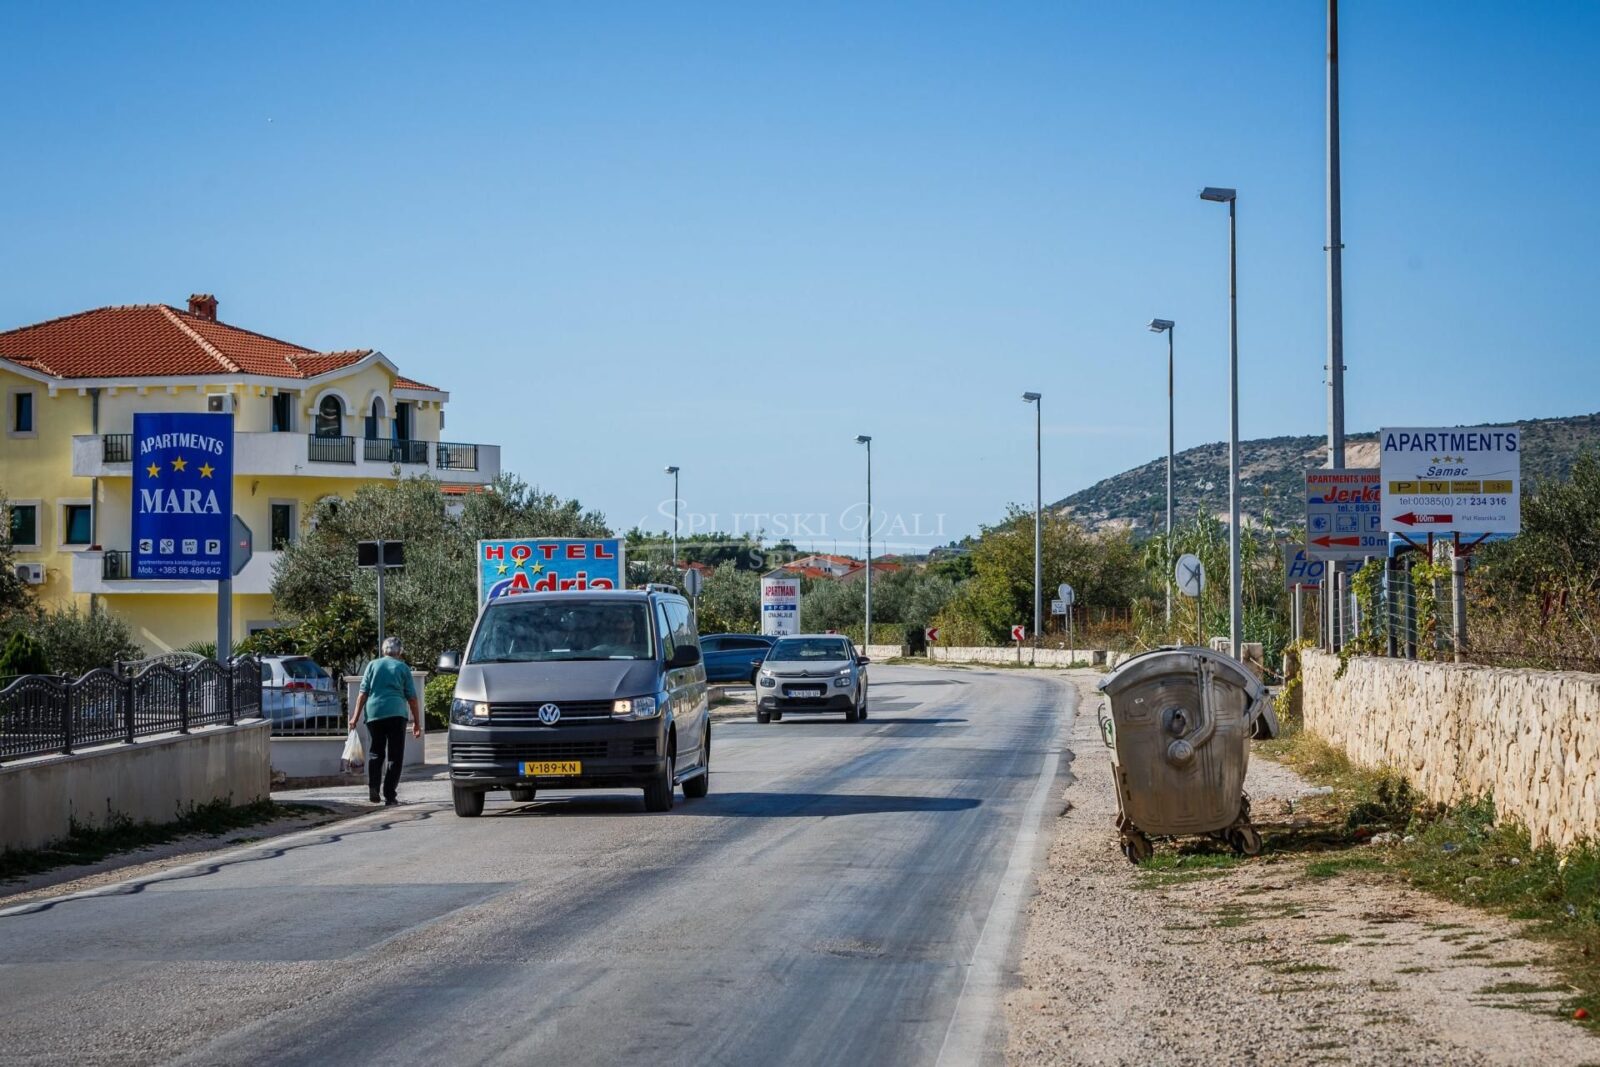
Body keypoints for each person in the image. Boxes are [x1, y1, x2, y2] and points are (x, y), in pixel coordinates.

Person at [351, 636, 423, 806]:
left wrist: (355, 717)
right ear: (400, 651)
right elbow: (412, 698)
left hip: (374, 714)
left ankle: (373, 787)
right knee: (395, 756)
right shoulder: (402, 668)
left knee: (376, 752)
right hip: (396, 714)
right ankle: (390, 795)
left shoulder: (372, 665)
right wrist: (417, 723)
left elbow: (363, 693)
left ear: (384, 650)